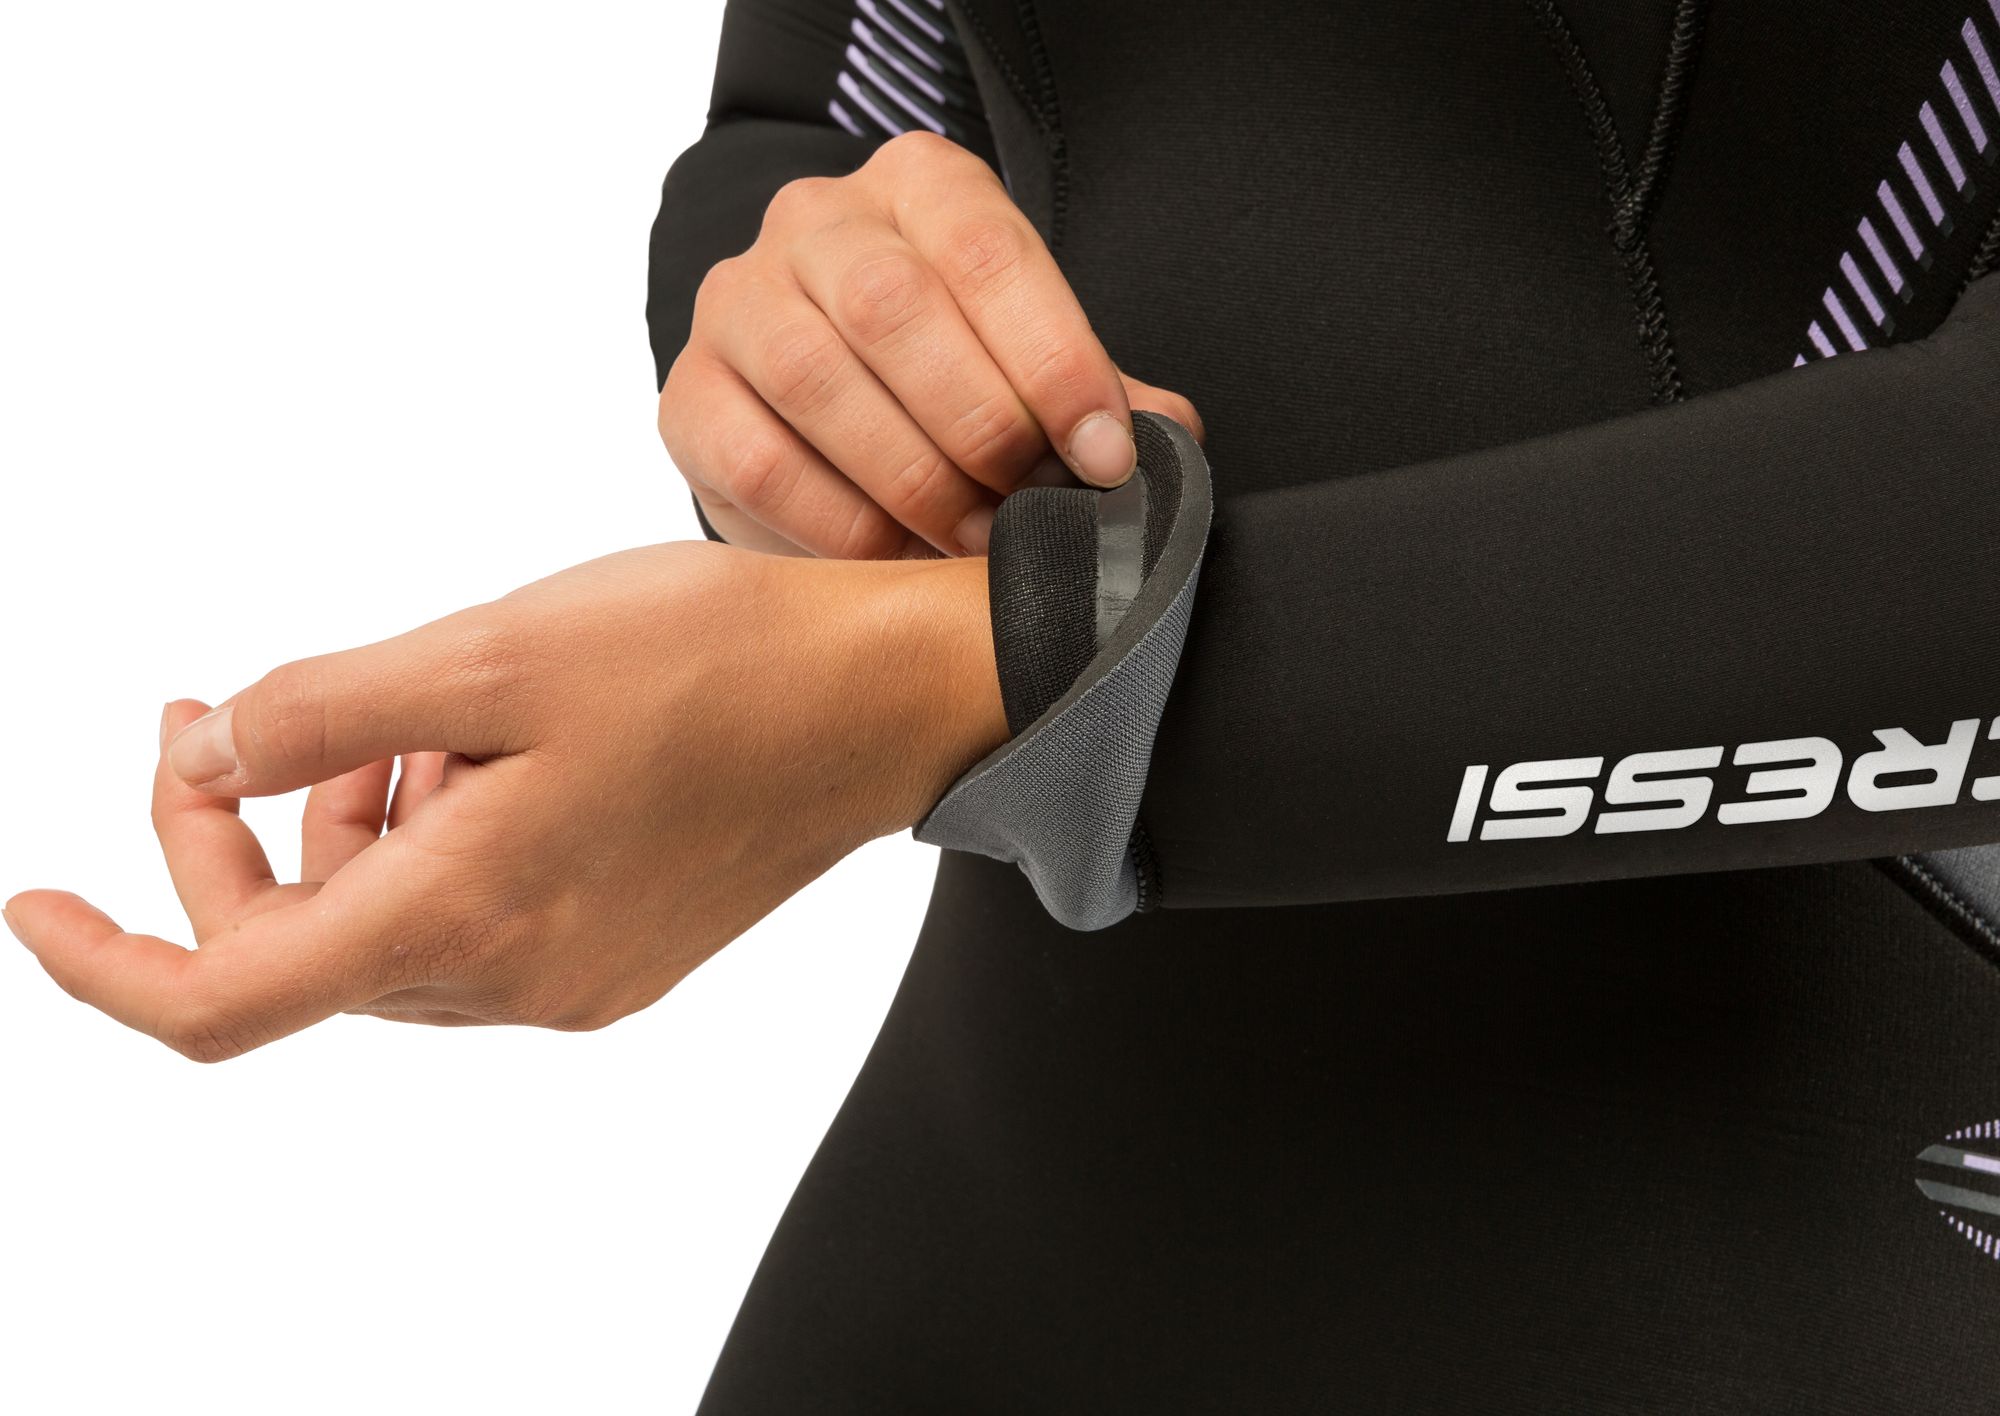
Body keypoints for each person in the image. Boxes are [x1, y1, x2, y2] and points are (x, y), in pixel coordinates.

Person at [10, 0, 2000, 1407]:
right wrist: (808, 366)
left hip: (1823, 1253)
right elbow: (818, 107)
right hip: (982, 1256)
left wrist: (967, 688)